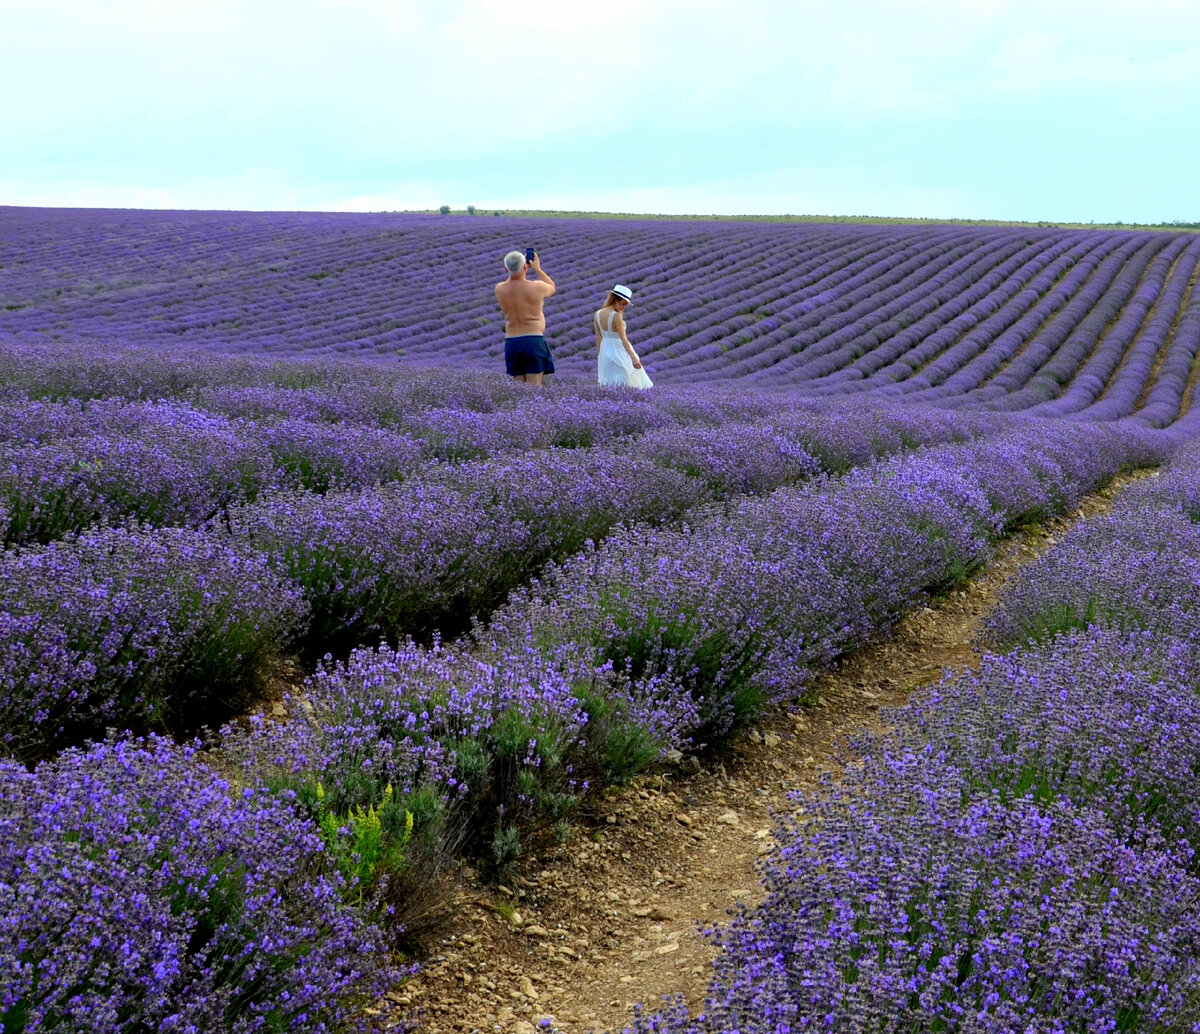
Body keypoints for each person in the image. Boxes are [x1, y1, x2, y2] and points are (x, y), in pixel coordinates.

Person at [495, 249, 556, 385]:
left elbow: (512, 278)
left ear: (506, 269)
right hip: (533, 340)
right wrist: (537, 269)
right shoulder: (537, 287)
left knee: (519, 390)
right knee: (534, 389)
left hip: (512, 341)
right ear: (525, 266)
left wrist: (516, 268)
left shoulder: (500, 289)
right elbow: (552, 287)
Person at [595, 284, 652, 389]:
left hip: (605, 351)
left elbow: (598, 338)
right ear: (615, 299)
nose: (623, 307)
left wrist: (600, 356)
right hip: (618, 350)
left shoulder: (598, 314)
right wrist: (634, 358)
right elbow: (624, 339)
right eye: (623, 304)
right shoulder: (615, 316)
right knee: (626, 381)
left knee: (609, 383)